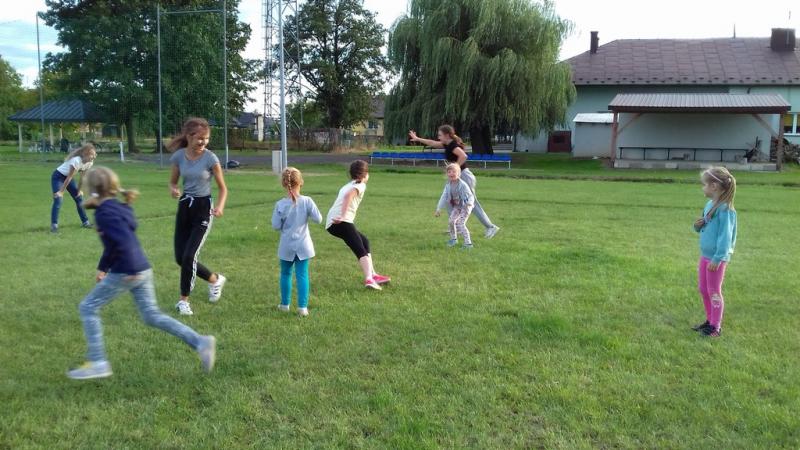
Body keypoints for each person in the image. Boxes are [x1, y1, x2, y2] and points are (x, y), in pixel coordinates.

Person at [66, 166, 216, 380]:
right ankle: (201, 342)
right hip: (143, 268)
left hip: (127, 270)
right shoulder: (120, 208)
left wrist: (127, 270)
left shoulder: (105, 213)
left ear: (93, 190)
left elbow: (121, 241)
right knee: (151, 315)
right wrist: (103, 267)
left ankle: (98, 361)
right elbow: (115, 243)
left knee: (87, 307)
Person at [168, 118, 228, 316]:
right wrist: (174, 189)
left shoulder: (211, 159)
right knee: (180, 258)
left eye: (206, 138)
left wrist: (219, 207)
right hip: (185, 206)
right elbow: (173, 182)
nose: (204, 142)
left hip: (203, 209)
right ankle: (215, 280)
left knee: (189, 256)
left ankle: (183, 301)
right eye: (200, 138)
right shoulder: (179, 156)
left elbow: (223, 188)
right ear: (189, 136)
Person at [408, 125, 500, 238]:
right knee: (449, 200)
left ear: (447, 135)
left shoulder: (452, 145)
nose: (438, 137)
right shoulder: (447, 144)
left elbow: (463, 156)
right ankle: (456, 227)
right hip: (456, 177)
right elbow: (432, 143)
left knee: (471, 203)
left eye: (440, 135)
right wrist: (417, 139)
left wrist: (455, 168)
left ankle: (491, 227)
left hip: (464, 176)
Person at [325, 160, 390, 290]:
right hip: (341, 221)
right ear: (364, 175)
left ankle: (373, 274)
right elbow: (348, 197)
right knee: (360, 249)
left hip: (333, 222)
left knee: (364, 242)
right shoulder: (360, 185)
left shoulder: (349, 185)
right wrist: (343, 216)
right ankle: (369, 279)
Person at [691, 167, 737, 338]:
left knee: (714, 291)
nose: (703, 188)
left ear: (714, 186)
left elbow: (726, 237)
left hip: (716, 259)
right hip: (705, 256)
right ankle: (709, 321)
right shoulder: (710, 205)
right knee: (703, 289)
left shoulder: (726, 211)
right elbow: (706, 226)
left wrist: (718, 258)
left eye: (704, 184)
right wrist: (697, 226)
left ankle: (715, 327)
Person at [272, 167, 322, 316]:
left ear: (283, 184)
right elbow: (318, 219)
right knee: (302, 275)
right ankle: (302, 308)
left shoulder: (280, 204)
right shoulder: (307, 201)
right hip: (303, 245)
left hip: (286, 245)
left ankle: (284, 305)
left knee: (285, 274)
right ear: (301, 182)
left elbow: (275, 226)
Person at [50, 143, 96, 233]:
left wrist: (79, 191)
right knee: (58, 199)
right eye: (92, 154)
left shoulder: (89, 163)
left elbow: (82, 178)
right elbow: (69, 177)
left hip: (68, 178)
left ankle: (85, 223)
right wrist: (61, 192)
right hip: (58, 177)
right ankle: (54, 226)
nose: (94, 157)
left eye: (95, 154)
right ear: (85, 154)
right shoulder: (76, 161)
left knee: (79, 198)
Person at [435, 163, 475, 249]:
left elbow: (470, 196)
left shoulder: (463, 185)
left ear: (458, 173)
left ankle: (468, 244)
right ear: (447, 174)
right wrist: (439, 208)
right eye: (449, 172)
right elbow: (444, 196)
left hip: (466, 207)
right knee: (451, 221)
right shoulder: (448, 185)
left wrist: (469, 203)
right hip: (457, 207)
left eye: (454, 171)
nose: (451, 173)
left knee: (461, 223)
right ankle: (454, 239)